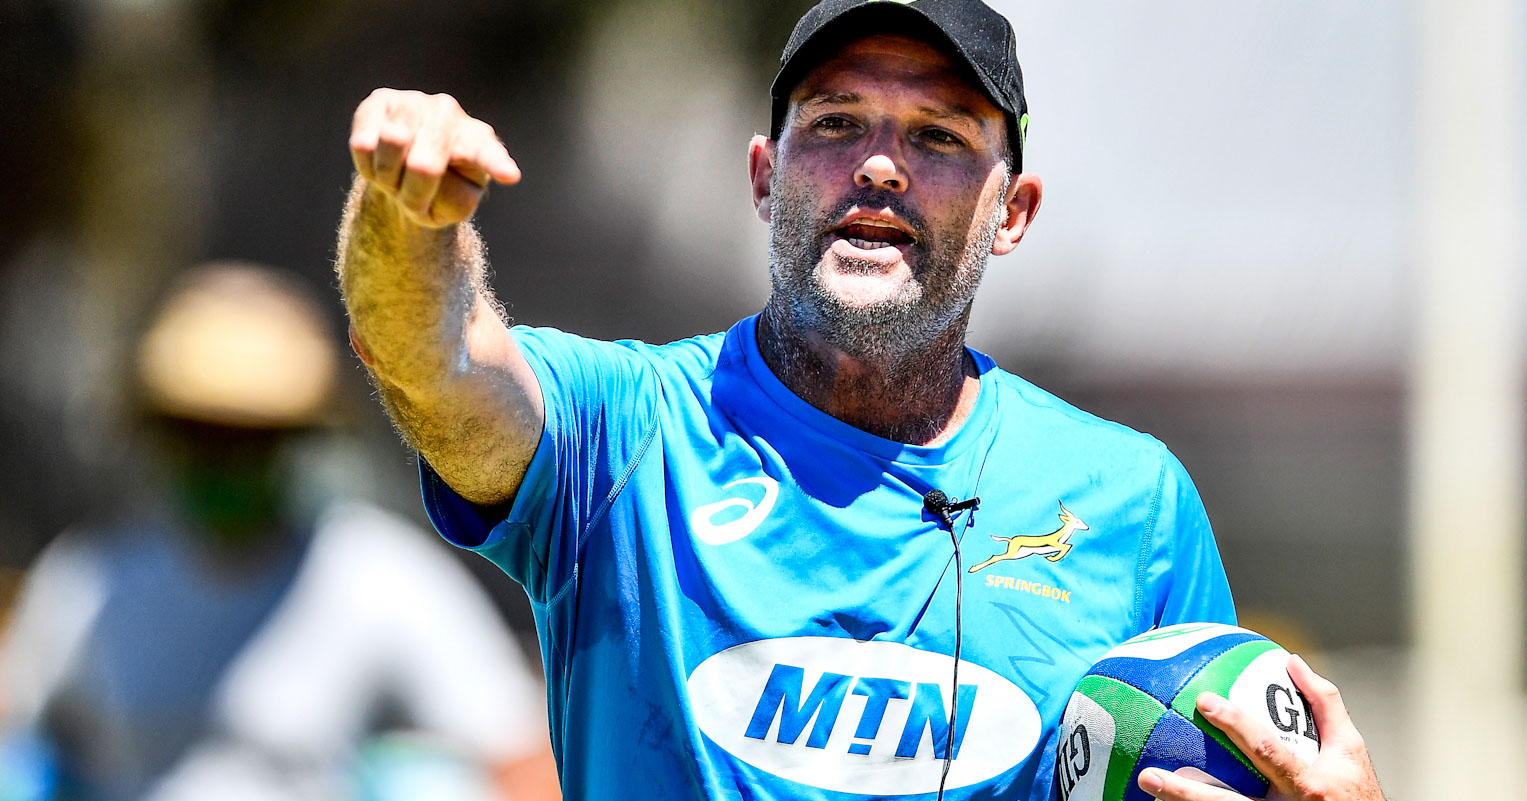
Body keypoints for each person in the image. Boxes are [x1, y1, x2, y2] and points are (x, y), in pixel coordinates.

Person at [334, 0, 1385, 799]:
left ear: (1012, 211)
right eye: (837, 123)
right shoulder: (627, 434)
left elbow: (1210, 772)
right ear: (764, 177)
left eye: (939, 136)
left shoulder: (1131, 501)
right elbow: (437, 360)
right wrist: (401, 219)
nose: (879, 165)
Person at [0, 263, 559, 801]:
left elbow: (520, 755)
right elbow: (16, 735)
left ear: (292, 442)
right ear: (160, 435)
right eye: (198, 431)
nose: (220, 459)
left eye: (247, 436)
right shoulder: (91, 579)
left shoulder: (375, 578)